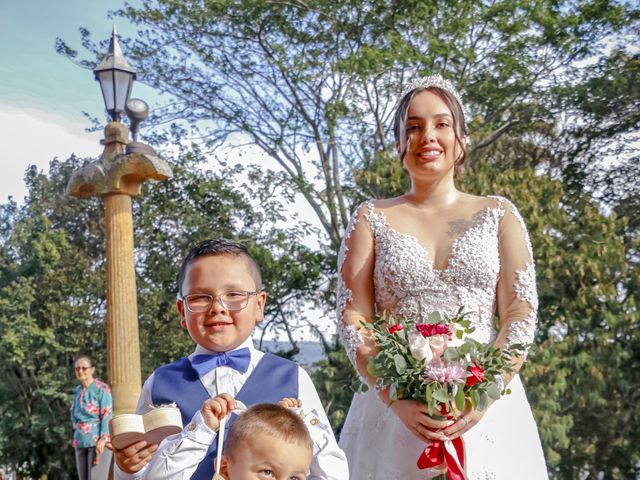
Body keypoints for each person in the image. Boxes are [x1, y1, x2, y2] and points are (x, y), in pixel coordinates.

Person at [337, 74, 548, 478]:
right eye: (412, 127)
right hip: (395, 411)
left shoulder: (499, 214)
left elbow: (519, 311)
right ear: (400, 144)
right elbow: (353, 317)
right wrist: (393, 396)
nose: (427, 136)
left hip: (485, 408)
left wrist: (485, 394)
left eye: (441, 124)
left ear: (462, 139)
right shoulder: (371, 218)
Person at [111, 238, 348, 480]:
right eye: (201, 297)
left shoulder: (293, 378)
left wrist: (305, 422)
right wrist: (128, 468)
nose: (217, 307)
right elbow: (143, 469)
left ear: (259, 305)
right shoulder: (159, 382)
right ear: (183, 311)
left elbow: (330, 472)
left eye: (234, 294)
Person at [71, 354, 113, 480]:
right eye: (77, 368)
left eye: (84, 368)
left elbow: (107, 414)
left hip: (98, 441)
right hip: (80, 440)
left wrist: (103, 438)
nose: (80, 371)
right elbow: (73, 415)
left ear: (92, 369)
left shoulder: (102, 389)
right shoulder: (77, 391)